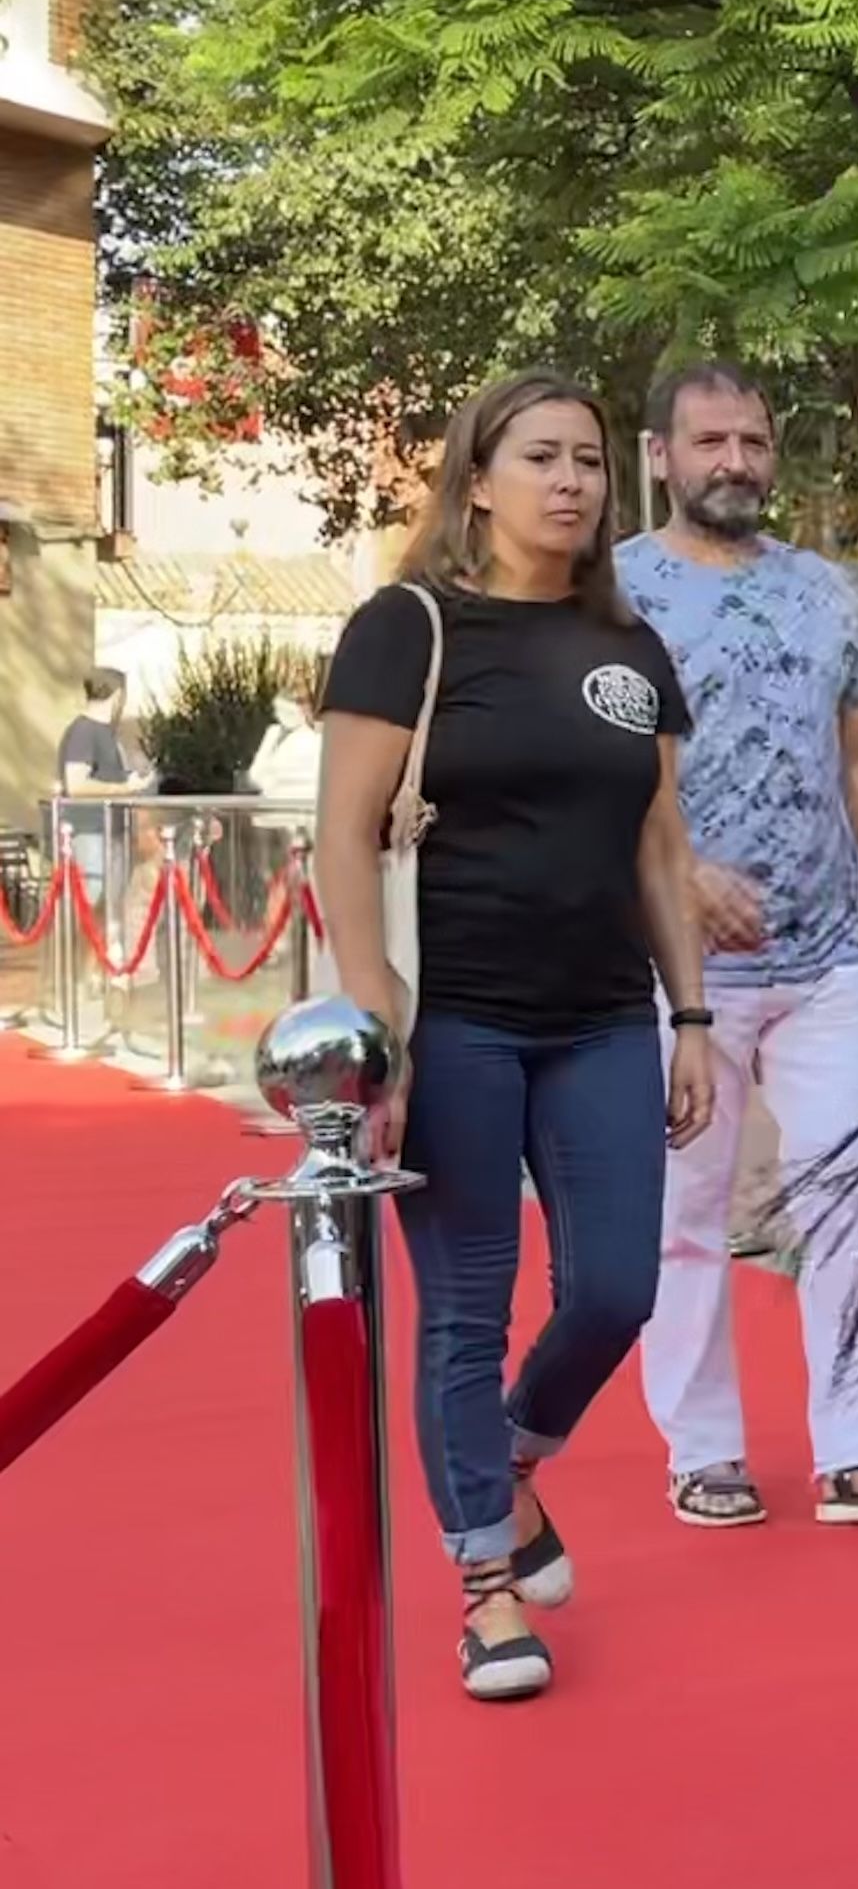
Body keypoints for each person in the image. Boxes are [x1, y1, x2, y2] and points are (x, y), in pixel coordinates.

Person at [311, 372, 718, 1699]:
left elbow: (660, 847)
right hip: (461, 1025)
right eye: (540, 458)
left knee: (616, 1289)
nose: (571, 483)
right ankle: (487, 1583)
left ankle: (514, 1466)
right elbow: (343, 834)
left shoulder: (632, 653)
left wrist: (693, 1015)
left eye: (591, 462)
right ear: (474, 480)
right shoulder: (409, 628)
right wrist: (379, 1017)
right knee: (466, 1312)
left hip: (603, 1016)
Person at [616, 361, 858, 1531]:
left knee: (856, 1201)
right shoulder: (614, 594)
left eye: (752, 441)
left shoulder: (823, 592)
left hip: (831, 962)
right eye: (710, 441)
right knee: (686, 1220)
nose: (736, 462)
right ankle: (703, 1450)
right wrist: (685, 875)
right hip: (679, 974)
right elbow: (599, 775)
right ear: (660, 454)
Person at [52, 666, 146, 929]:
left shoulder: (106, 734)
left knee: (110, 904)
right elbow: (77, 784)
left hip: (110, 830)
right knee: (93, 900)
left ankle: (105, 964)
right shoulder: (85, 731)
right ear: (117, 695)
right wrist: (125, 789)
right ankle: (89, 965)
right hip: (91, 830)